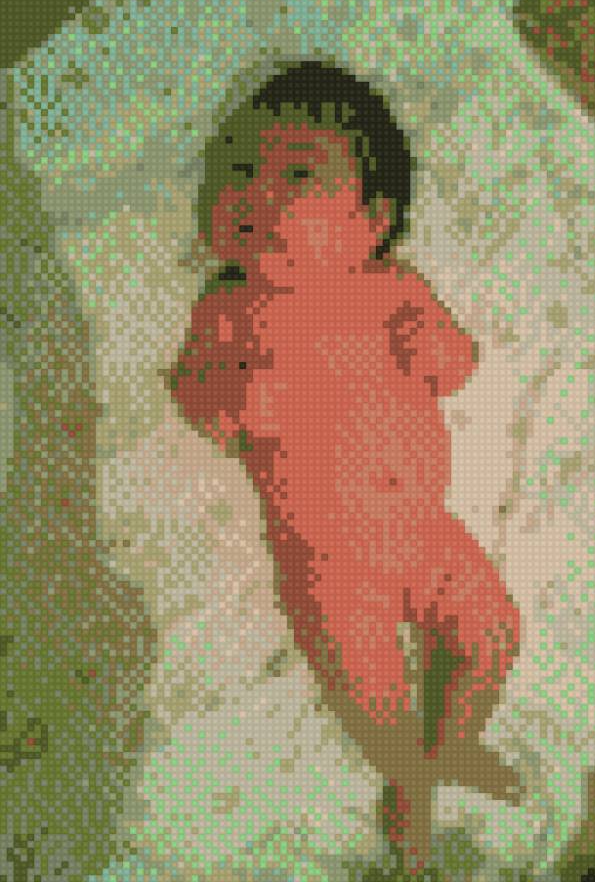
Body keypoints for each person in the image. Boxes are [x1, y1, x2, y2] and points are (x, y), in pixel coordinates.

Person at [170, 106, 522, 873]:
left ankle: (454, 742)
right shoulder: (228, 311)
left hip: (427, 533)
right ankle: (409, 779)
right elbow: (193, 392)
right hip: (328, 563)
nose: (259, 194)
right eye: (240, 174)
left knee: (493, 631)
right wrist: (228, 405)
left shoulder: (393, 289)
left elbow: (459, 365)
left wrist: (438, 348)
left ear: (372, 221)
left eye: (297, 173)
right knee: (371, 693)